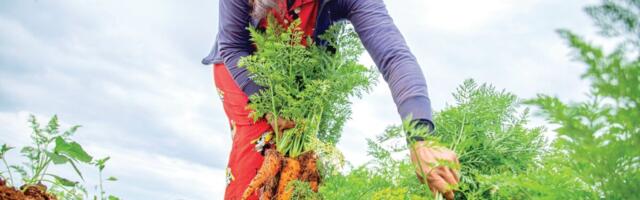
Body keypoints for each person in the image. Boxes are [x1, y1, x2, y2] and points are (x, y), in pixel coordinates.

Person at [202, 0, 460, 199]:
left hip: (301, 78)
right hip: (244, 68)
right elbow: (233, 47)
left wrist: (421, 138)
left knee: (301, 169)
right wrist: (269, 106)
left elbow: (394, 57)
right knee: (259, 154)